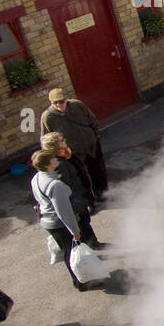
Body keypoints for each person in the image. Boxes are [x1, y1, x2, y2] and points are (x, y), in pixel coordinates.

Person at [30, 150, 91, 291]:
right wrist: (75, 231)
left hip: (48, 221)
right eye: (53, 158)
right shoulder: (55, 185)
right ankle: (80, 282)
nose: (56, 159)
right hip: (58, 223)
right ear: (47, 164)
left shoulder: (36, 178)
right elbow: (64, 212)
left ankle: (80, 279)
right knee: (70, 252)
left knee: (66, 250)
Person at [39, 132, 105, 250]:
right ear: (56, 146)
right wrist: (79, 199)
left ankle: (90, 243)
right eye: (61, 140)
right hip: (76, 200)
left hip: (80, 195)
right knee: (83, 224)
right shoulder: (59, 164)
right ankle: (91, 245)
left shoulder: (65, 155)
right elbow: (65, 186)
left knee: (85, 222)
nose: (65, 140)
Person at [41, 88, 108, 200]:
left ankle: (102, 193)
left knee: (98, 170)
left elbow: (92, 119)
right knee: (80, 178)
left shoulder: (78, 105)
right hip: (71, 152)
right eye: (55, 103)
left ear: (66, 99)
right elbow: (46, 139)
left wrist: (96, 135)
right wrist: (52, 155)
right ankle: (88, 201)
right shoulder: (48, 117)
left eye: (61, 101)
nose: (59, 105)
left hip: (91, 144)